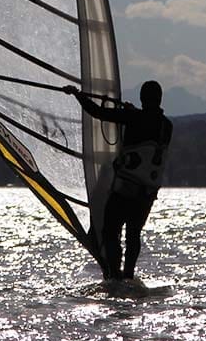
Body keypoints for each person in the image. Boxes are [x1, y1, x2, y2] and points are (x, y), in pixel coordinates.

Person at [64, 80, 173, 280]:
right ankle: (129, 275)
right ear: (159, 99)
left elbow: (97, 113)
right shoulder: (167, 126)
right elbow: (147, 123)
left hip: (125, 190)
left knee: (110, 230)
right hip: (146, 194)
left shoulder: (133, 117)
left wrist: (77, 94)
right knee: (133, 233)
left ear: (142, 98)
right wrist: (131, 113)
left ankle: (114, 273)